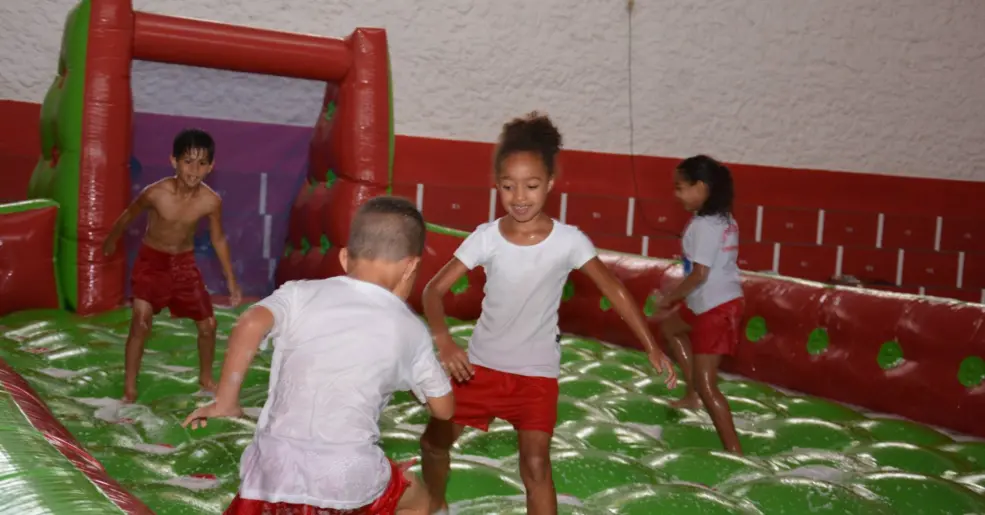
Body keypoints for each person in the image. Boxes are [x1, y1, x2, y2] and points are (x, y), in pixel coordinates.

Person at [417, 112, 677, 515]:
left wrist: (652, 347)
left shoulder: (568, 241)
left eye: (532, 186)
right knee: (433, 442)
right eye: (508, 186)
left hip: (535, 375)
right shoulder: (487, 237)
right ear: (497, 186)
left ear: (551, 185)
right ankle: (433, 503)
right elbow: (434, 290)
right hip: (480, 369)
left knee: (535, 465)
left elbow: (615, 289)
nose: (520, 196)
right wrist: (444, 340)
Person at [182, 196, 454, 515]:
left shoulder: (299, 293)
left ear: (343, 258)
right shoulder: (410, 328)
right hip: (350, 479)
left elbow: (250, 322)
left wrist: (226, 400)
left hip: (272, 474)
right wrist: (415, 383)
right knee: (420, 500)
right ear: (411, 266)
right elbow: (444, 409)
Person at [103, 128, 241, 404]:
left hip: (183, 265)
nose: (194, 170)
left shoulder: (210, 201)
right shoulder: (156, 193)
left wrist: (231, 280)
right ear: (173, 161)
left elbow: (218, 238)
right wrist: (110, 241)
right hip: (151, 262)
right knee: (141, 322)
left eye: (202, 163)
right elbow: (128, 216)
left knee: (209, 325)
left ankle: (205, 377)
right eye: (188, 161)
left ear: (211, 167)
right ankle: (130, 387)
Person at [655, 154, 744, 455]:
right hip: (712, 301)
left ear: (701, 187)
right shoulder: (724, 219)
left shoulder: (705, 225)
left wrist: (671, 296)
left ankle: (734, 450)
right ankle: (691, 395)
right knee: (671, 327)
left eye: (681, 188)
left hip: (714, 306)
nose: (677, 195)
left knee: (709, 385)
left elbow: (700, 274)